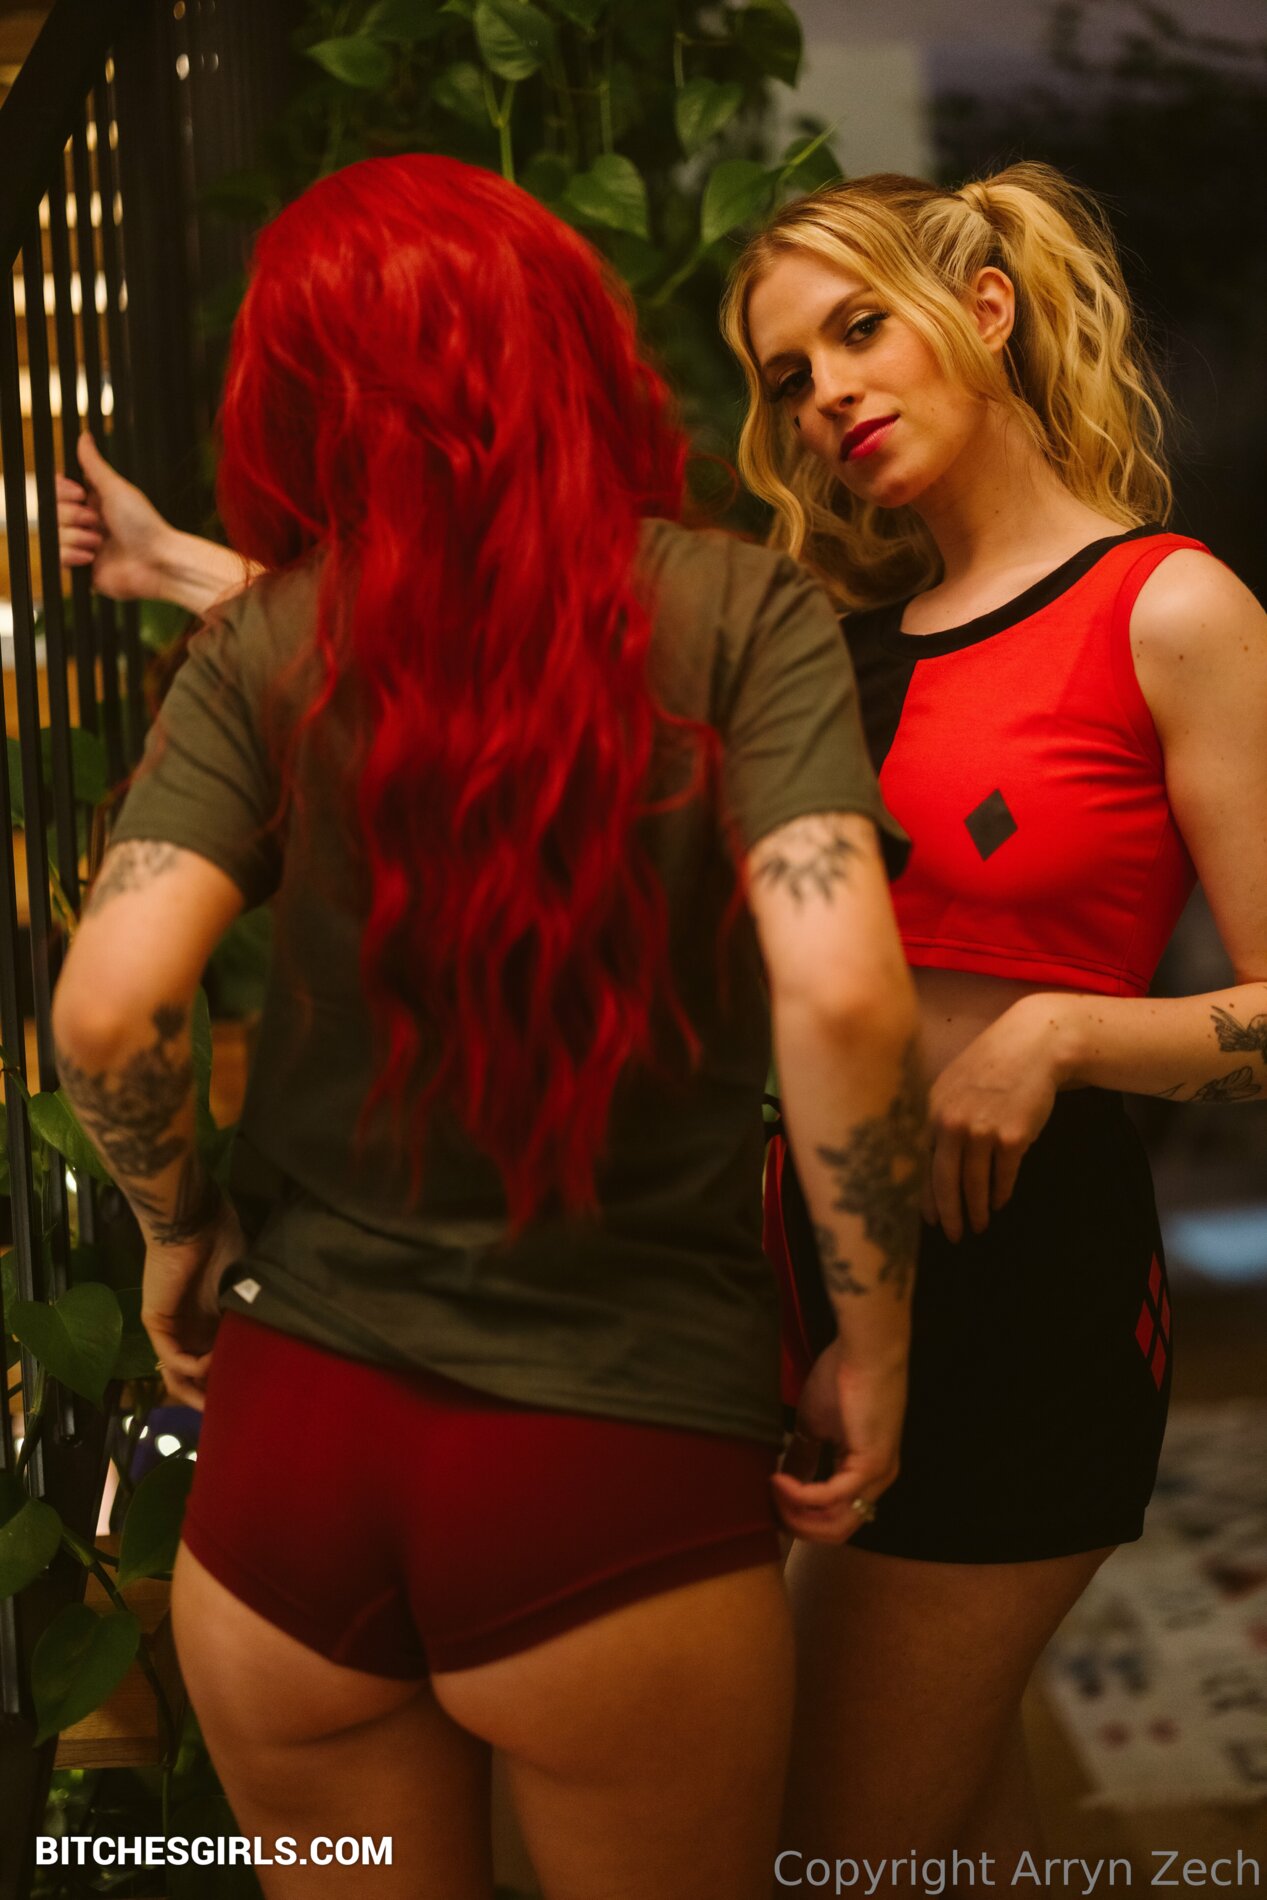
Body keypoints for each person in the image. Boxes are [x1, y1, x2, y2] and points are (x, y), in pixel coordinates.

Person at [51, 154, 921, 1900]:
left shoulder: (265, 641)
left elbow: (107, 1004)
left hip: (291, 1488)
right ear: (574, 346)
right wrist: (874, 1341)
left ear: (300, 394)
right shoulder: (744, 614)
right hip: (615, 1483)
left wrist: (178, 1230)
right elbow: (839, 989)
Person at [718, 163, 1267, 1877]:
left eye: (858, 329)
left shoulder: (1167, 608)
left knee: (832, 1842)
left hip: (1027, 1285)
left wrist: (1065, 1034)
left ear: (985, 306)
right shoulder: (837, 646)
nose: (827, 396)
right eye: (790, 376)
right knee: (949, 1830)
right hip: (819, 1270)